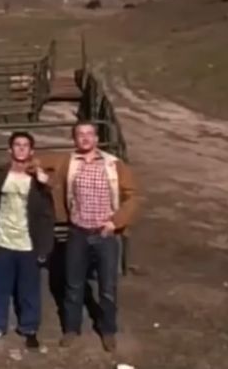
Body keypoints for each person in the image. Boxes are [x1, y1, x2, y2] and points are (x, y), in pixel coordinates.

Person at [50, 121, 138, 353]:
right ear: (74, 139)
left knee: (107, 286)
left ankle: (108, 330)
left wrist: (115, 222)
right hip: (78, 232)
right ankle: (71, 328)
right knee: (73, 283)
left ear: (97, 139)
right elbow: (41, 161)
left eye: (90, 134)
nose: (85, 138)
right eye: (80, 134)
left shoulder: (113, 165)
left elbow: (132, 197)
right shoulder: (68, 162)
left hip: (105, 234)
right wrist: (24, 164)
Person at [0, 132, 55, 350]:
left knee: (29, 290)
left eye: (25, 145)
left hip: (29, 243)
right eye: (17, 145)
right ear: (10, 150)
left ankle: (29, 329)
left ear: (31, 151)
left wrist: (45, 247)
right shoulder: (0, 175)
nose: (21, 149)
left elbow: (48, 214)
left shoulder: (38, 178)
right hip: (2, 241)